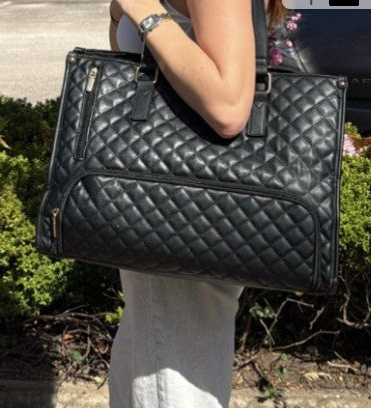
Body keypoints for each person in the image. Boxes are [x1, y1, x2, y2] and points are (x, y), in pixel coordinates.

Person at [107, 0, 288, 407]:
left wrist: (141, 6)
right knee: (152, 363)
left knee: (170, 378)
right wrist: (123, 13)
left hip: (178, 208)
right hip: (161, 198)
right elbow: (137, 60)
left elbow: (228, 107)